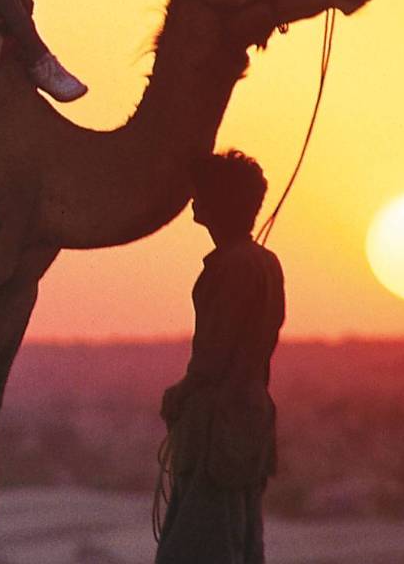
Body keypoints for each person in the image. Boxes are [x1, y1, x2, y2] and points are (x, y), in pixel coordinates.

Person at [155, 150, 285, 564]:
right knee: (240, 541)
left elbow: (212, 356)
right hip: (247, 422)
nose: (195, 200)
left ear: (220, 202)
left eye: (203, 192)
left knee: (202, 547)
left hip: (218, 429)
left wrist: (179, 394)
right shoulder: (264, 263)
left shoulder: (231, 267)